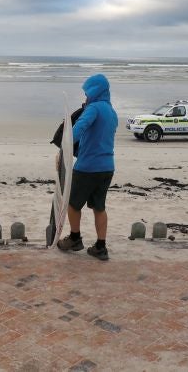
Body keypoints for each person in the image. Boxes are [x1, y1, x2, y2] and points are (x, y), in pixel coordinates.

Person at [57, 74, 118, 260]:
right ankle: (101, 247)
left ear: (95, 91)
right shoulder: (111, 111)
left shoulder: (93, 108)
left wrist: (63, 150)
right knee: (99, 207)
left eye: (87, 92)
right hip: (107, 167)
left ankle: (75, 239)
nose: (85, 96)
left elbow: (79, 128)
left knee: (73, 204)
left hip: (88, 167)